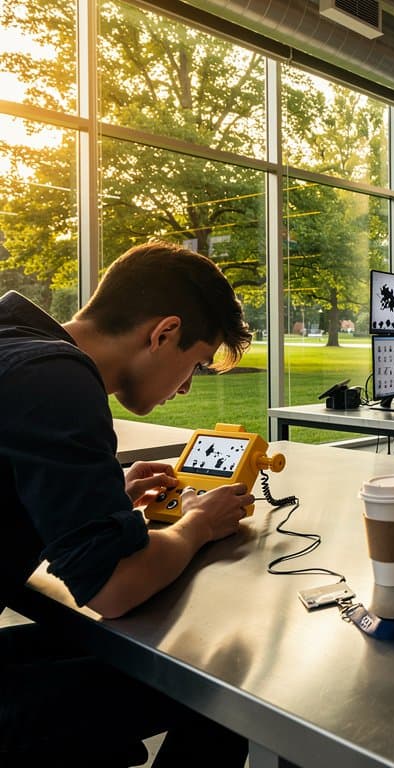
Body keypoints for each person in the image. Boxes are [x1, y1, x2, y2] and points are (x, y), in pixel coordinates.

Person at [1, 241, 255, 765]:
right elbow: (114, 588)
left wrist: (106, 495)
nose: (186, 389)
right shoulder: (55, 379)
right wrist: (198, 525)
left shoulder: (15, 341)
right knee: (222, 684)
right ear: (164, 334)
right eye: (197, 364)